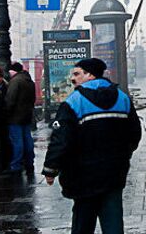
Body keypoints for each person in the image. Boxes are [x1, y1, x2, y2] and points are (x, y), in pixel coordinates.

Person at [42, 58, 141, 234]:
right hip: (114, 172)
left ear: (90, 75)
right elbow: (134, 134)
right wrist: (123, 155)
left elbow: (61, 140)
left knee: (82, 222)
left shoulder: (74, 101)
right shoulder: (122, 98)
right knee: (113, 221)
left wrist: (50, 169)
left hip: (82, 175)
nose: (73, 78)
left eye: (77, 73)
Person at [5, 61, 36, 174]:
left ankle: (16, 165)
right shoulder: (29, 81)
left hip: (15, 117)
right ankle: (29, 162)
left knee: (17, 142)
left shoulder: (15, 81)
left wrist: (6, 113)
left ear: (13, 71)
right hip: (26, 115)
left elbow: (10, 100)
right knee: (28, 139)